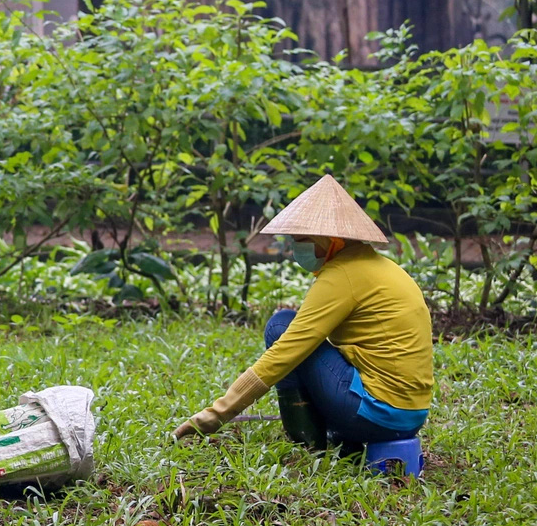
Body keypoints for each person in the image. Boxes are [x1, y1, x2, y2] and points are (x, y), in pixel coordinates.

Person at [174, 174, 432, 449]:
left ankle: (309, 443)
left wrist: (214, 416)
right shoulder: (381, 267)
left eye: (302, 239)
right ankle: (342, 437)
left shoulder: (343, 274)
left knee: (281, 326)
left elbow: (286, 351)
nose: (297, 246)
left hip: (377, 416)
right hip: (411, 415)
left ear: (330, 238)